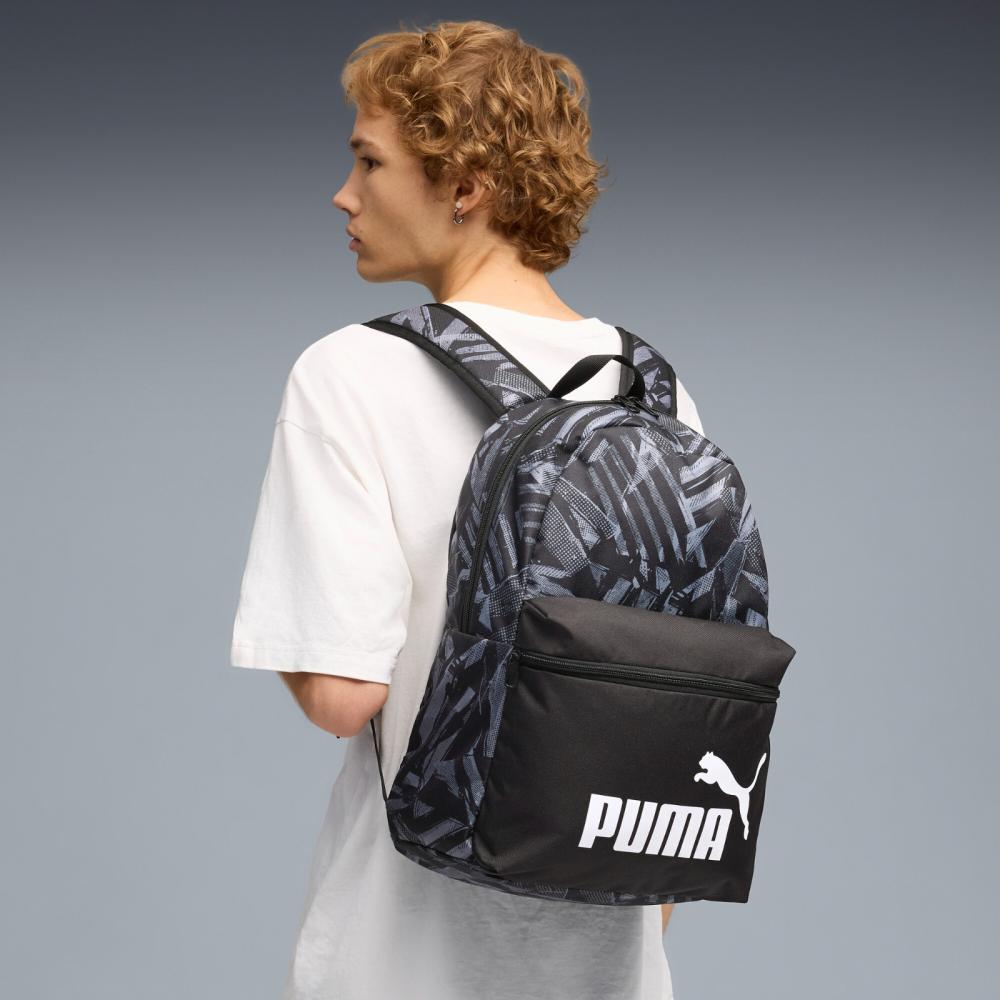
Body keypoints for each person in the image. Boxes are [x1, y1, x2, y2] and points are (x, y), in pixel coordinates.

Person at [230, 20, 704, 1000]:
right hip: (614, 959)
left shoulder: (350, 372)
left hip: (401, 952)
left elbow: (341, 696)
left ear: (466, 186)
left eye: (369, 161)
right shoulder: (650, 391)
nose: (344, 193)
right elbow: (682, 697)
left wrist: (282, 605)